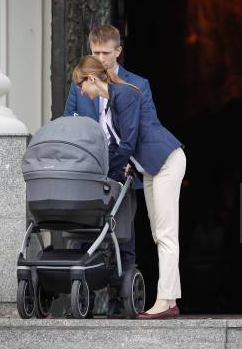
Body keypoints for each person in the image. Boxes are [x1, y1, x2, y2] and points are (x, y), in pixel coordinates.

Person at [73, 55, 186, 319]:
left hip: (166, 161)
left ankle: (165, 303)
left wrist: (107, 171)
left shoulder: (124, 95)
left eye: (81, 84)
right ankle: (170, 298)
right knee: (159, 234)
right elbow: (120, 145)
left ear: (91, 79)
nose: (81, 91)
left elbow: (129, 142)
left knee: (166, 235)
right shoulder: (113, 102)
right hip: (150, 168)